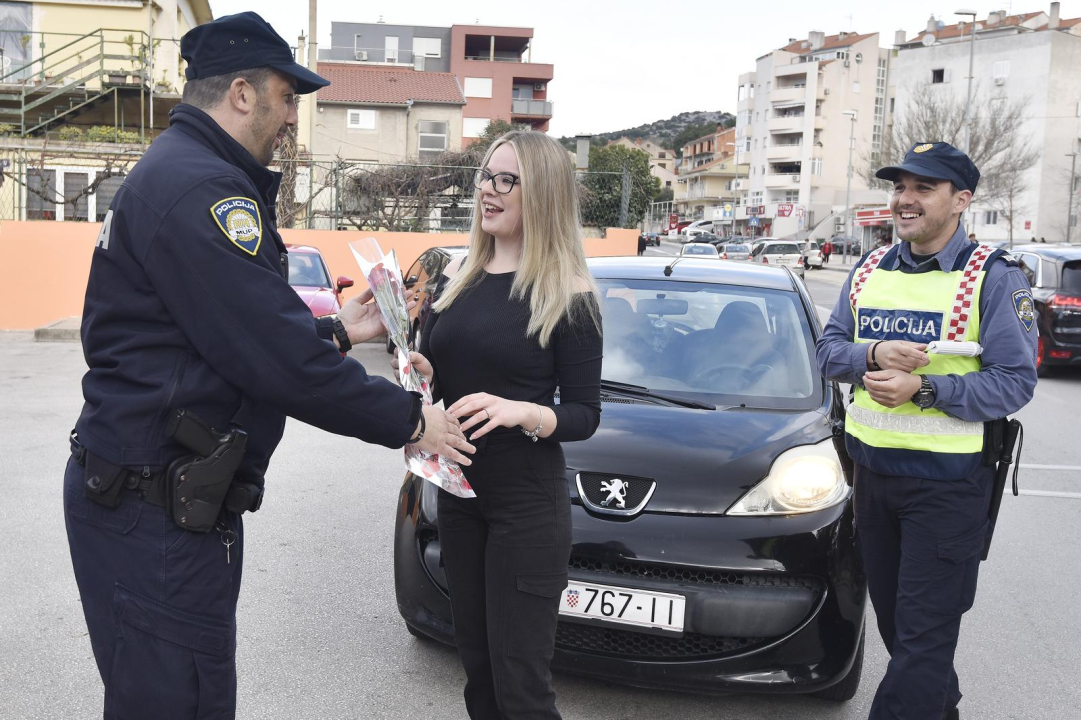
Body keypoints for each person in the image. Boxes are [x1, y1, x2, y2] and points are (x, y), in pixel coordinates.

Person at [63, 12, 474, 719]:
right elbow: (275, 360)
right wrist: (412, 421)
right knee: (179, 705)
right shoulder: (203, 190)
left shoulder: (182, 173)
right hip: (153, 513)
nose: (291, 117)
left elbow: (218, 335)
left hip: (153, 501)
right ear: (242, 94)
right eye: (287, 98)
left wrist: (335, 332)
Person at [816, 142, 1037, 720]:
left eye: (923, 188)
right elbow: (827, 350)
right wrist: (872, 354)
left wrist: (927, 389)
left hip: (947, 487)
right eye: (899, 187)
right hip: (872, 479)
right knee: (902, 631)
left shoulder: (992, 277)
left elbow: (1015, 382)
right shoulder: (869, 269)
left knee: (922, 639)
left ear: (960, 200)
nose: (904, 200)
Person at [404, 130, 603, 719]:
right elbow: (445, 377)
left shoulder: (569, 291)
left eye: (506, 180)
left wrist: (523, 412)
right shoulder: (458, 274)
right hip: (460, 496)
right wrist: (423, 374)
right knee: (480, 677)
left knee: (522, 688)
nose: (487, 190)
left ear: (541, 192)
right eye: (485, 176)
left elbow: (585, 415)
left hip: (526, 506)